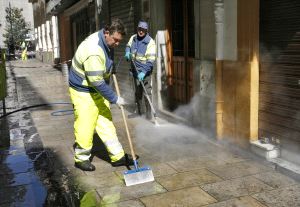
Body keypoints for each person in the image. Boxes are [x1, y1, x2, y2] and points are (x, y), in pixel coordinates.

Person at [69, 18, 136, 171]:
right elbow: (96, 82)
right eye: (116, 40)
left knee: (105, 119)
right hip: (83, 89)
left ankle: (117, 156)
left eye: (120, 41)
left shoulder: (106, 41)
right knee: (86, 122)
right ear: (107, 33)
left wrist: (109, 67)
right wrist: (115, 98)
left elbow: (106, 59)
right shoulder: (93, 51)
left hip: (96, 85)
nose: (117, 44)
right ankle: (81, 158)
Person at [124, 20, 156, 117]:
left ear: (146, 31)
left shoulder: (150, 42)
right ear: (137, 29)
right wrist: (127, 53)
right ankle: (140, 113)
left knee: (147, 93)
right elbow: (128, 46)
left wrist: (144, 72)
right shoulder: (133, 38)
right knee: (138, 93)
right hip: (135, 71)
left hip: (144, 73)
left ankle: (149, 115)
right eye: (139, 29)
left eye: (143, 30)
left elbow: (150, 61)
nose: (141, 31)